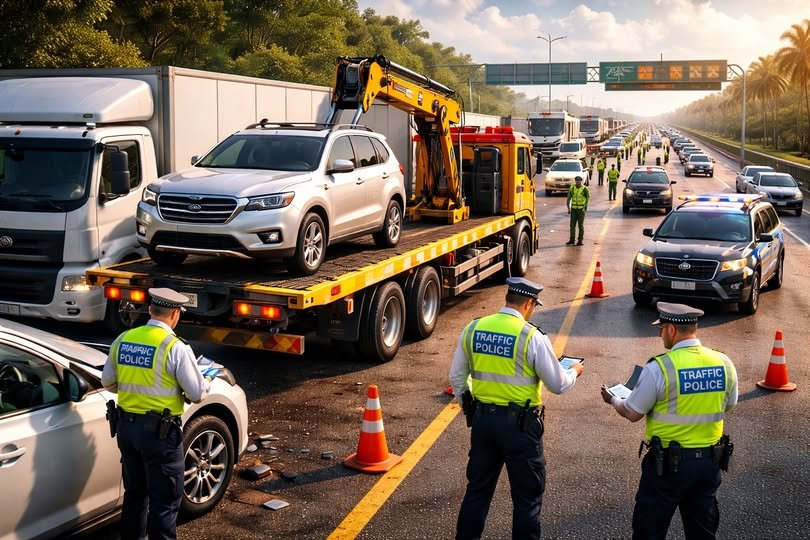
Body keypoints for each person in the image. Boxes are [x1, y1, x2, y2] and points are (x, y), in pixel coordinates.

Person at [450, 277, 584, 540]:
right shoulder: (531, 336)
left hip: (483, 421)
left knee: (477, 491)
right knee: (526, 498)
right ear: (529, 303)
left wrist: (471, 409)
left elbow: (457, 377)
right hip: (520, 428)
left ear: (508, 299)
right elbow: (557, 384)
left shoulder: (474, 327)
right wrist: (574, 372)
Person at [600, 302, 738, 540]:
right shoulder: (723, 362)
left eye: (661, 327)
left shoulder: (660, 368)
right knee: (703, 532)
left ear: (672, 330)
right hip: (708, 465)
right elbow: (729, 404)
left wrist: (613, 400)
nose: (659, 333)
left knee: (649, 531)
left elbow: (632, 413)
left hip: (668, 468)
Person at [102, 288, 213, 540]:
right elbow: (196, 393)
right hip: (160, 437)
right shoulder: (175, 347)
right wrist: (205, 380)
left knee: (134, 496)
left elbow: (108, 382)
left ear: (150, 310)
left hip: (127, 429)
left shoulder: (124, 338)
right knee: (164, 502)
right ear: (175, 315)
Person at [566, 175, 589, 246]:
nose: (578, 181)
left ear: (581, 181)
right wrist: (568, 208)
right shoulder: (572, 188)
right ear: (575, 181)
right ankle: (572, 239)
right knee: (572, 225)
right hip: (574, 209)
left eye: (579, 180)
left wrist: (585, 208)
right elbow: (569, 198)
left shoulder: (585, 188)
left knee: (580, 226)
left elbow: (587, 199)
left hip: (581, 210)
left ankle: (580, 240)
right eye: (576, 180)